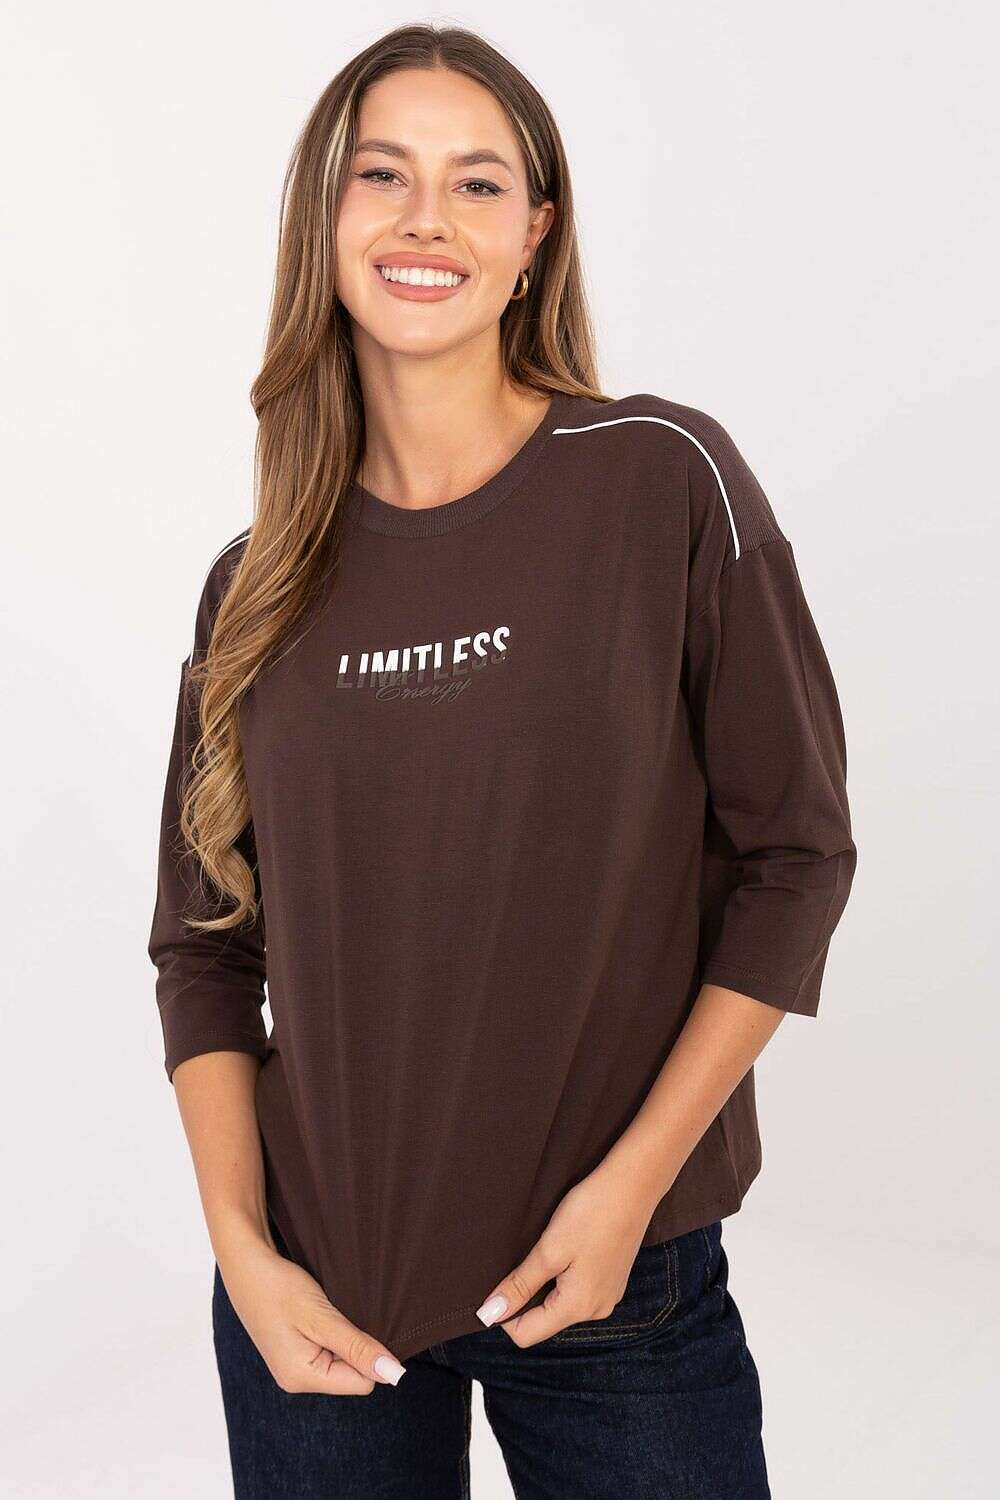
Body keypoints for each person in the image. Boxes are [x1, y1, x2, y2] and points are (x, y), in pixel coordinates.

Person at [147, 23, 858, 1498]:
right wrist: (245, 1254)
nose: (426, 219)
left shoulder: (661, 480)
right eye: (382, 176)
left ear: (535, 237)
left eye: (477, 184)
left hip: (612, 1289)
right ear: (323, 218)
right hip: (313, 1305)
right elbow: (204, 952)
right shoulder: (253, 586)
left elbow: (796, 858)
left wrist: (630, 1194)